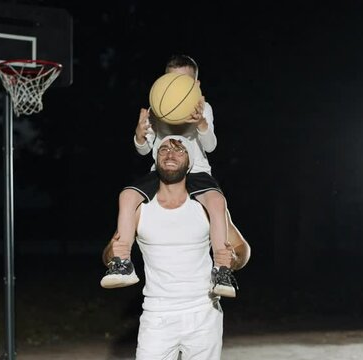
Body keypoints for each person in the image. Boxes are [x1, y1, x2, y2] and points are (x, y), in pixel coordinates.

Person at [101, 55, 240, 297]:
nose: (176, 88)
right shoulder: (158, 107)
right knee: (127, 195)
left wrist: (202, 126)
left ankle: (222, 269)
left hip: (196, 171)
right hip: (161, 171)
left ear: (196, 85)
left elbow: (211, 146)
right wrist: (140, 136)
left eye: (183, 82)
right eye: (172, 81)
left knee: (217, 202)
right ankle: (122, 262)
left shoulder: (203, 108)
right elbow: (144, 150)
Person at [102, 135, 251, 360]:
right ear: (156, 160)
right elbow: (109, 253)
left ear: (190, 162)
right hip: (157, 315)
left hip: (204, 313)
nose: (170, 154)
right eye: (163, 150)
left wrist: (234, 260)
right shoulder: (139, 208)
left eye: (179, 150)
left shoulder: (206, 207)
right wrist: (114, 253)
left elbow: (241, 248)